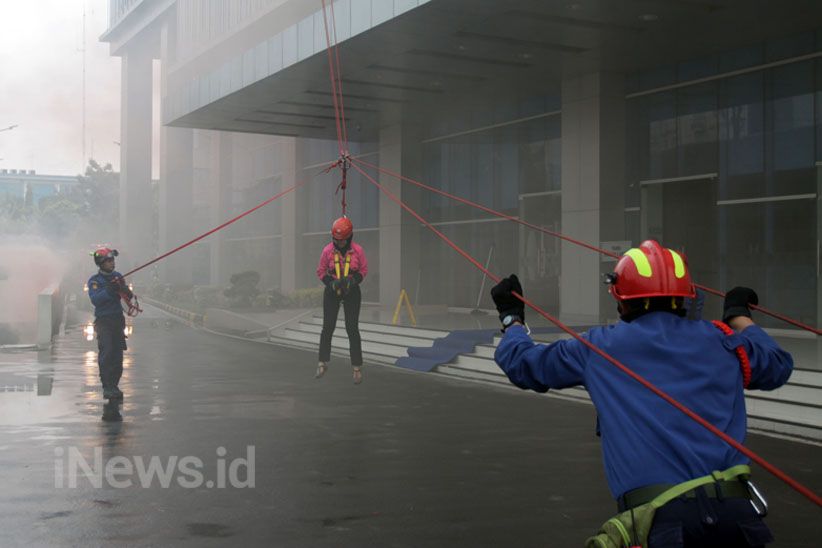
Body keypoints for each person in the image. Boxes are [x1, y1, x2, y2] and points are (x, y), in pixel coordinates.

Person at [491, 239, 792, 547]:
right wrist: (739, 317)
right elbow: (778, 366)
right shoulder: (724, 341)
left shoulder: (599, 348)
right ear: (686, 296)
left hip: (662, 523)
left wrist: (512, 319)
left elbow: (525, 365)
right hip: (738, 520)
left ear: (622, 299)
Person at [315, 217, 368, 384]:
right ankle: (322, 362)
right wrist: (330, 283)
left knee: (351, 327)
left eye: (343, 240)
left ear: (350, 237)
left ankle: (357, 367)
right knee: (328, 326)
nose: (339, 243)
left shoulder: (358, 250)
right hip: (333, 290)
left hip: (351, 291)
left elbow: (363, 270)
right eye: (336, 240)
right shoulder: (327, 251)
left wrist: (354, 281)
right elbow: (321, 271)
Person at [87, 248, 132, 400]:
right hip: (103, 321)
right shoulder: (94, 281)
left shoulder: (118, 277)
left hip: (117, 320)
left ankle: (114, 385)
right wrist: (109, 290)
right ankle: (107, 386)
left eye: (113, 260)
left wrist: (126, 292)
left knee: (117, 355)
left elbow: (126, 296)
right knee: (107, 352)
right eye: (108, 261)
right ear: (101, 263)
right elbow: (95, 299)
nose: (112, 263)